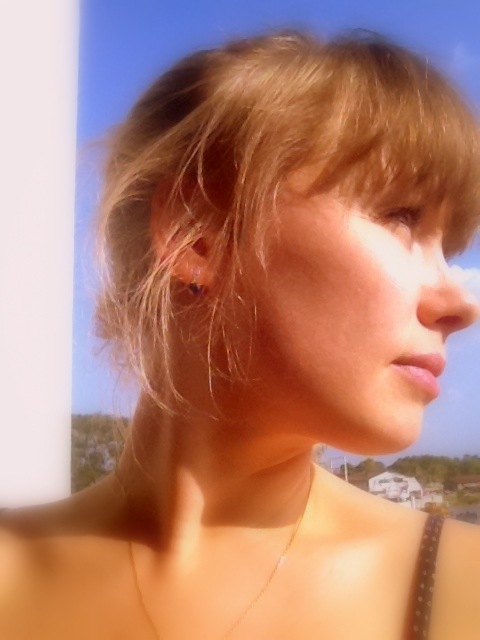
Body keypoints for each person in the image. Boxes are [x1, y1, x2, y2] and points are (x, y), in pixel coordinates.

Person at [1, 28, 480, 640]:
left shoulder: (458, 585)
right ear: (196, 234)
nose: (462, 304)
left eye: (449, 247)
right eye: (401, 216)